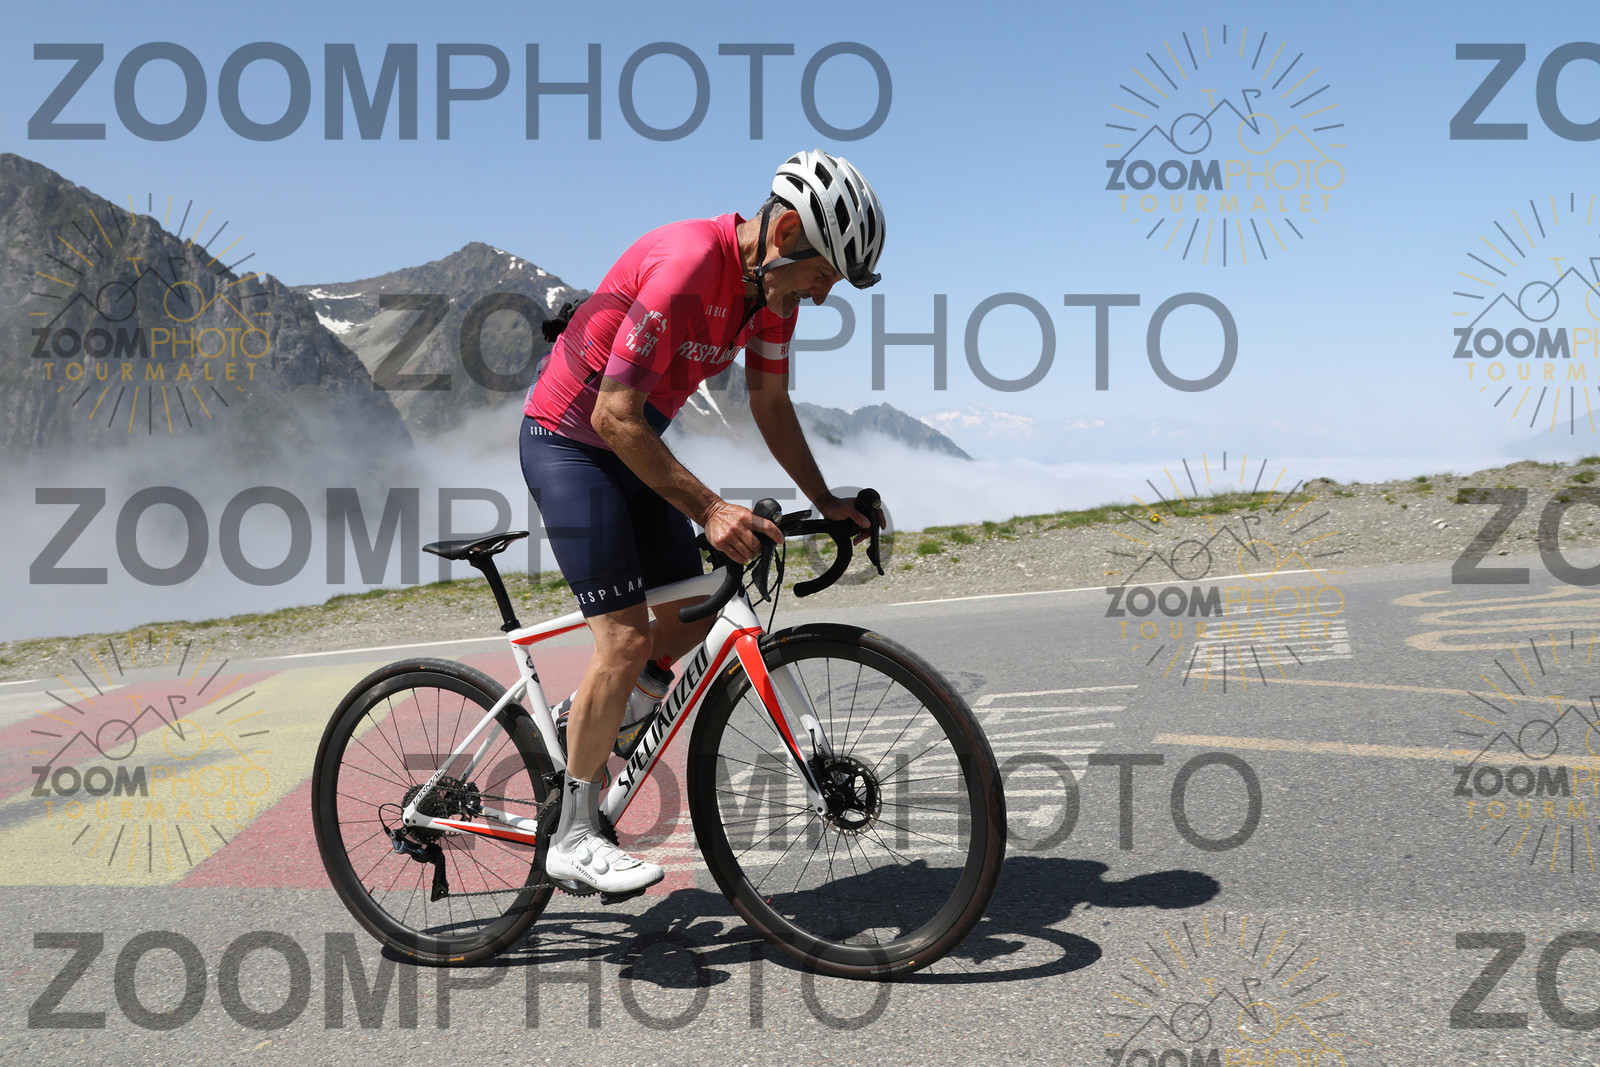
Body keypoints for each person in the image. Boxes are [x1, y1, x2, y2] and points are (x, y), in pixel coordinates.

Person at [519, 150, 887, 896]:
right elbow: (611, 416)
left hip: (634, 448)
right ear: (786, 231)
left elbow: (771, 405)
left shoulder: (772, 295)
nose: (822, 296)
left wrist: (826, 500)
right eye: (824, 275)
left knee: (690, 613)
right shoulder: (689, 264)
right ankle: (573, 836)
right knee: (625, 638)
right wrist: (712, 509)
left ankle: (594, 716)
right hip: (571, 442)